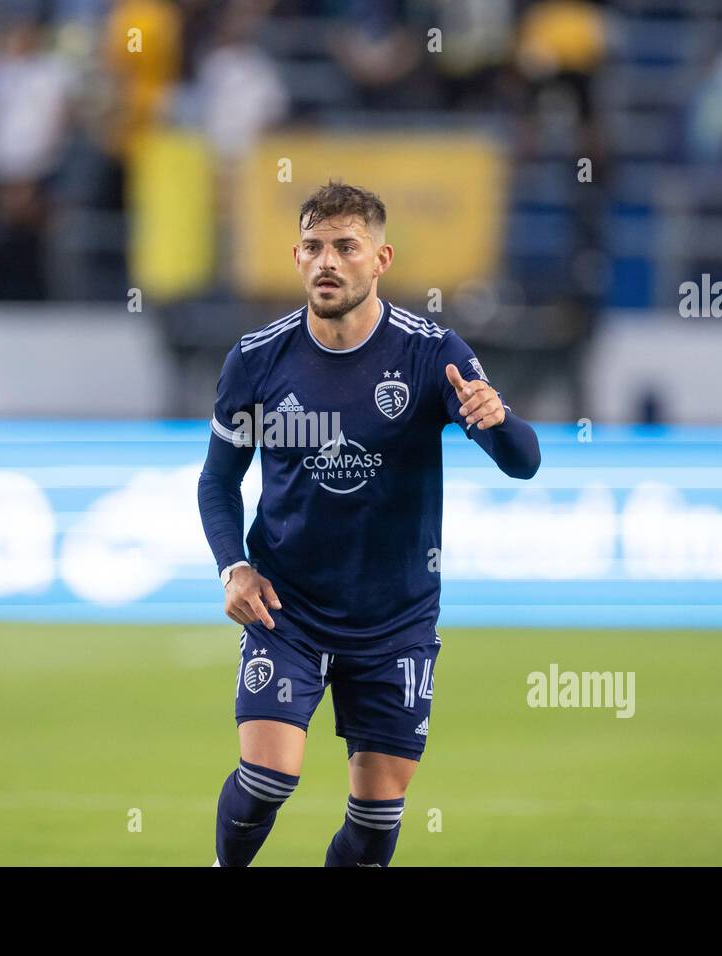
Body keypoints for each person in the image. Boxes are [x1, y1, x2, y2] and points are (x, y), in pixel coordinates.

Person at [197, 181, 541, 866]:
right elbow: (218, 480)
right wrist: (232, 566)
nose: (328, 261)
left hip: (395, 620)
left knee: (376, 820)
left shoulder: (428, 352)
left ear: (380, 258)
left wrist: (500, 423)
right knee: (268, 777)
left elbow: (522, 462)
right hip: (286, 608)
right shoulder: (258, 359)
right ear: (297, 256)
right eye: (314, 247)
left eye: (345, 247)